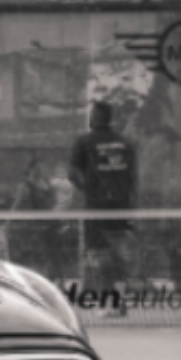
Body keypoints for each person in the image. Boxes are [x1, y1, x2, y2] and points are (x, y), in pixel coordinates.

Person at [70, 101, 137, 293]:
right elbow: (133, 178)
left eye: (92, 114)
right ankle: (123, 286)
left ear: (94, 117)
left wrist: (89, 189)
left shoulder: (84, 141)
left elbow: (73, 174)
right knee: (119, 248)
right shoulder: (125, 143)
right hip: (121, 207)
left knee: (99, 250)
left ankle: (108, 292)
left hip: (97, 208)